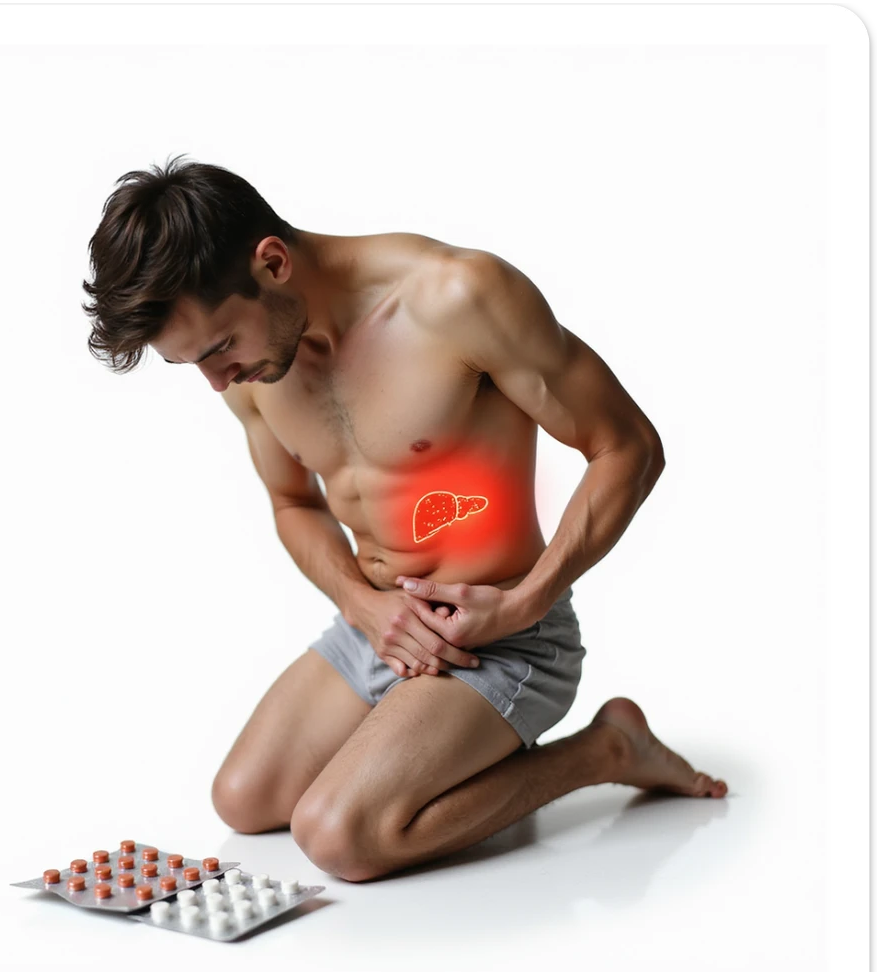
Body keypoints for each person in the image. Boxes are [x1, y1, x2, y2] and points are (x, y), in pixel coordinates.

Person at [83, 156, 727, 882]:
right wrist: (363, 605)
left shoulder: (457, 297)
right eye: (192, 365)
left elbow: (626, 447)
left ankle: (603, 751)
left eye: (220, 349)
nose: (216, 380)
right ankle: (412, 733)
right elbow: (293, 503)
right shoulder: (249, 367)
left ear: (271, 262)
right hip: (377, 626)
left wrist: (526, 601)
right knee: (243, 800)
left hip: (503, 638)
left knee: (338, 838)